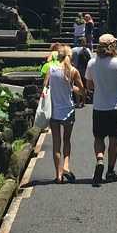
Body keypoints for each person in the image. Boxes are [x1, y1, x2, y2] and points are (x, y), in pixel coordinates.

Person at [84, 33, 117, 186]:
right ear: (113, 46)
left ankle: (99, 159)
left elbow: (89, 86)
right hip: (116, 107)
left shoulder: (92, 63)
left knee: (99, 138)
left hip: (99, 106)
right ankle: (110, 171)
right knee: (114, 141)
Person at [43, 44, 84, 183]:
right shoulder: (73, 71)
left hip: (54, 111)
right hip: (68, 110)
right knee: (66, 140)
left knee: (56, 142)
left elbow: (45, 88)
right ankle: (66, 166)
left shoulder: (51, 69)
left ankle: (58, 175)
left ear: (58, 56)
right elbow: (82, 90)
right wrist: (73, 89)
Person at [70, 37, 93, 107]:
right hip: (85, 70)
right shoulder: (87, 50)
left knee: (77, 86)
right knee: (84, 86)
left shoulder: (73, 50)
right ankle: (83, 101)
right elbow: (91, 60)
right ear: (84, 42)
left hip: (75, 70)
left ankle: (77, 102)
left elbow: (70, 59)